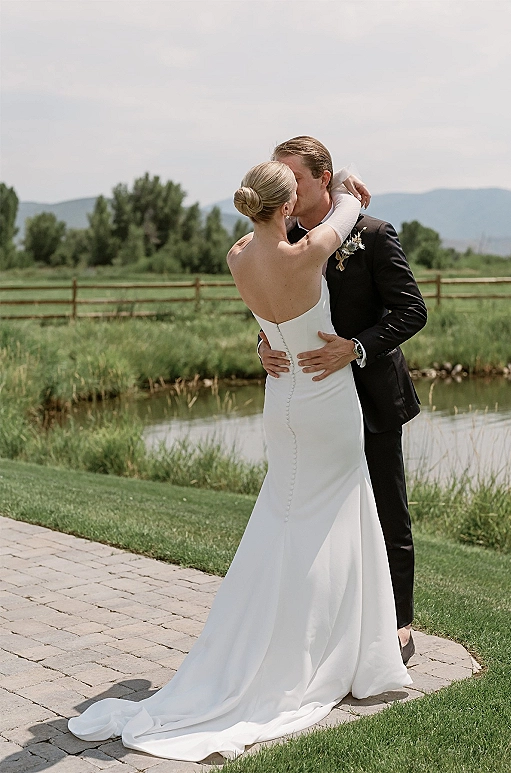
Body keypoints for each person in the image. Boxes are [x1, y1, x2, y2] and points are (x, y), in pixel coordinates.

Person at [68, 160, 411, 763]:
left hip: (280, 402)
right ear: (285, 208)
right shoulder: (306, 256)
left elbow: (273, 303)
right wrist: (353, 191)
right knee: (336, 519)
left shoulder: (237, 258)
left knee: (283, 519)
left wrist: (265, 339)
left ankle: (275, 635)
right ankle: (339, 648)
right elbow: (347, 210)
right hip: (326, 402)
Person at [259, 137, 428, 663]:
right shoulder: (281, 238)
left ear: (323, 175)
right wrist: (265, 345)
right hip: (313, 406)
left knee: (386, 511)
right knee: (319, 514)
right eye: (280, 181)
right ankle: (329, 623)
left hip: (372, 396)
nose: (287, 191)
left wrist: (355, 349)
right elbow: (271, 305)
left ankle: (399, 624)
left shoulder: (373, 235)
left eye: (296, 179)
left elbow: (411, 312)